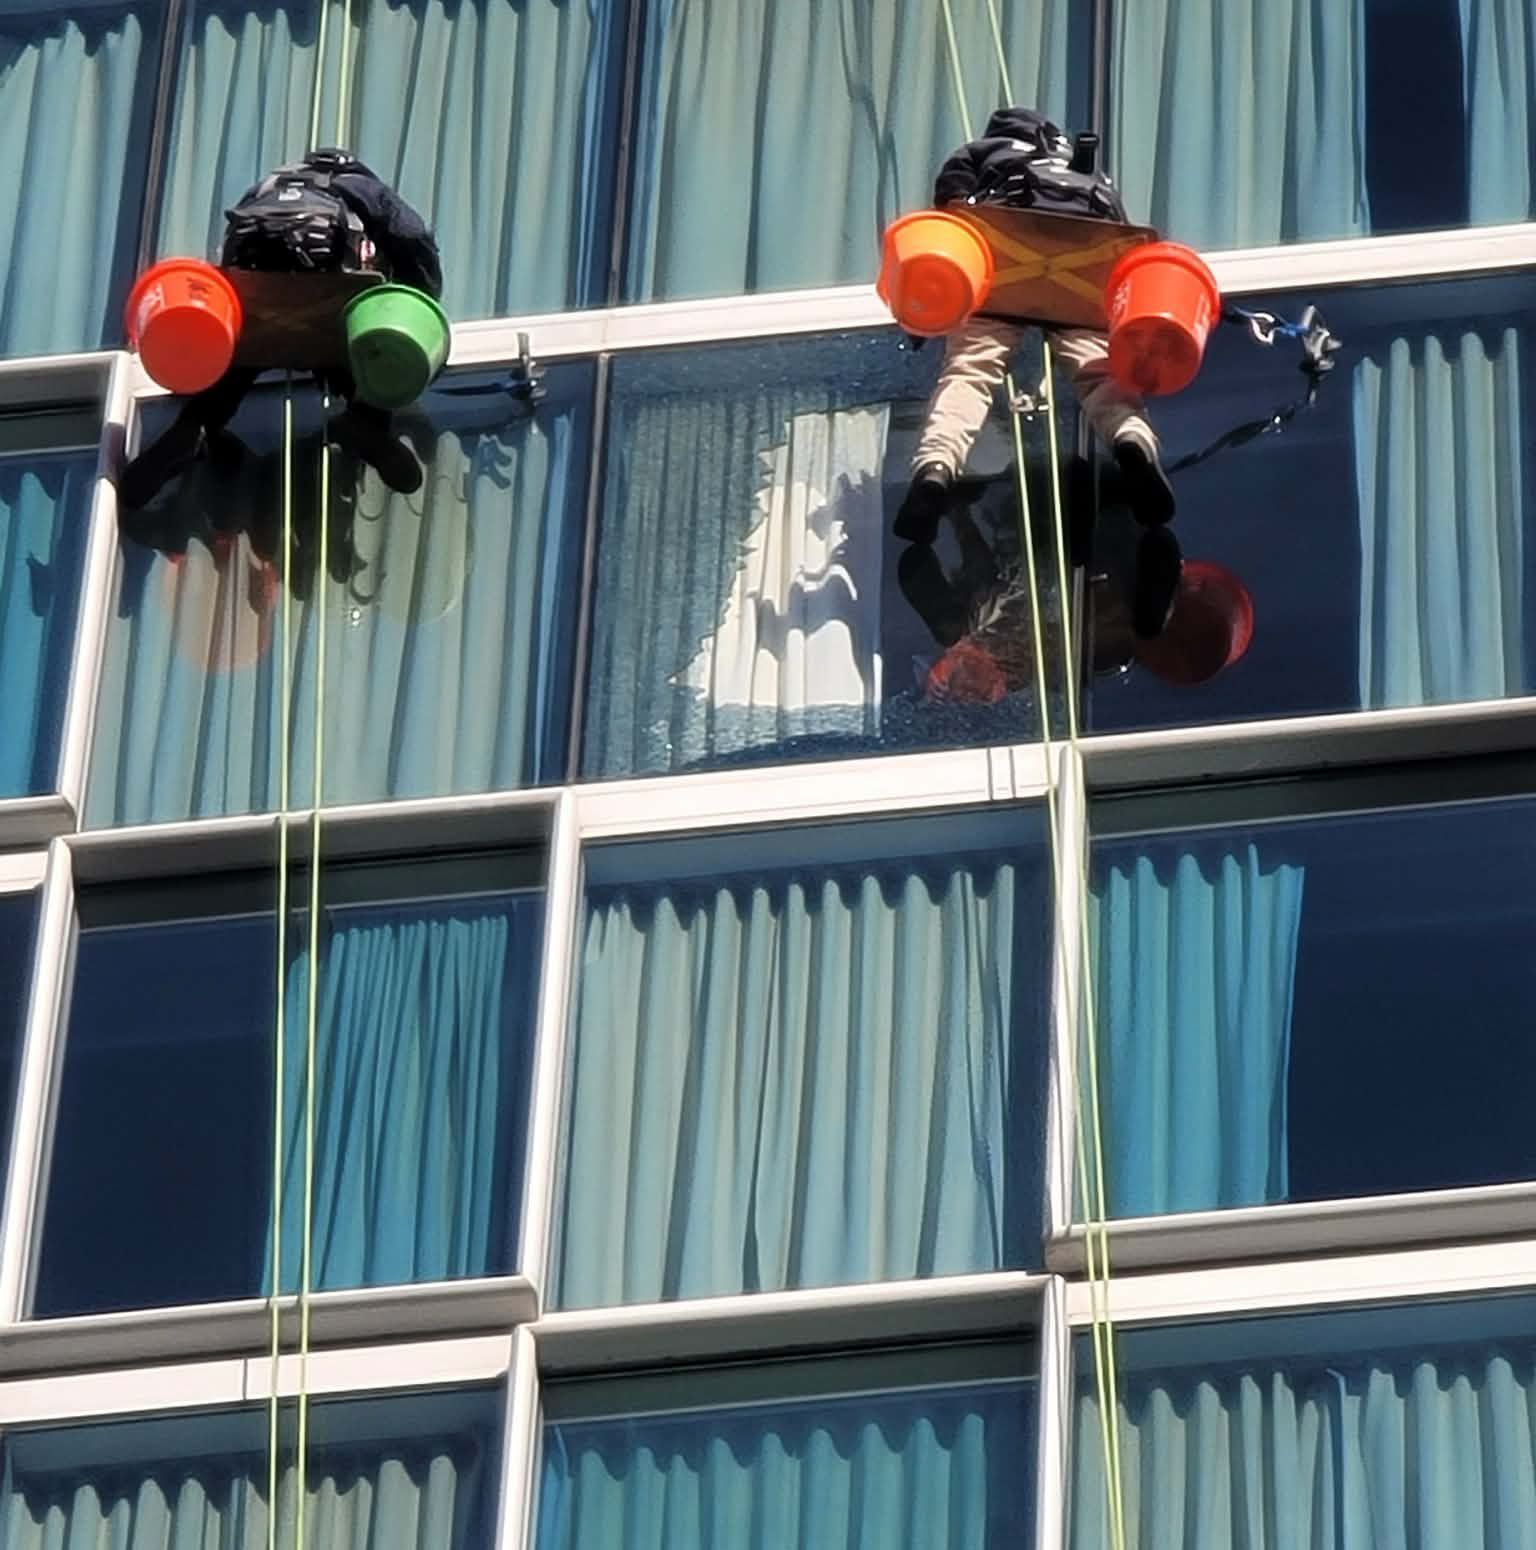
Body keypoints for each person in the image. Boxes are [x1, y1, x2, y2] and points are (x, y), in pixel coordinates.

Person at [895, 107, 1175, 550]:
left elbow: (950, 203)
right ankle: (1131, 440)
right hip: (1084, 263)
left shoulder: (986, 150)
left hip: (1002, 257)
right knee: (1099, 370)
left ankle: (936, 467)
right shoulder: (1083, 167)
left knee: (969, 372)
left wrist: (924, 317)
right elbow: (1118, 240)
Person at [119, 148, 444, 510]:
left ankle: (193, 428)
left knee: (239, 358)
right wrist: (420, 297)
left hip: (257, 301)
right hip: (330, 299)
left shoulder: (263, 190)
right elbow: (411, 236)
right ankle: (366, 421)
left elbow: (232, 253)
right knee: (369, 353)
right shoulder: (362, 187)